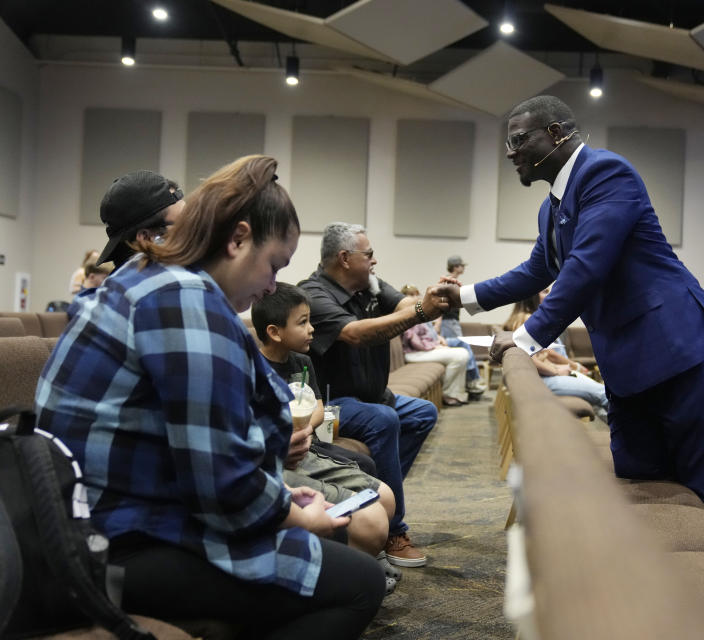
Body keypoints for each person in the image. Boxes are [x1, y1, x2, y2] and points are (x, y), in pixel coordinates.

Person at [36, 156, 384, 638]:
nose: (270, 286)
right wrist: (295, 516)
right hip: (116, 542)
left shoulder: (147, 275)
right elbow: (219, 485)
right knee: (361, 582)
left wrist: (280, 497)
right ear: (238, 238)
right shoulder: (184, 299)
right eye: (273, 266)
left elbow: (192, 453)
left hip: (95, 520)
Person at [443, 95, 704, 559]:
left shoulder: (606, 174)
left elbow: (587, 267)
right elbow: (537, 271)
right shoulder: (551, 208)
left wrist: (526, 339)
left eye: (518, 139)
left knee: (702, 476)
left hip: (677, 346)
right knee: (639, 466)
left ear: (556, 135)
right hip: (628, 357)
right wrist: (463, 296)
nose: (510, 152)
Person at [299, 223, 455, 568]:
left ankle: (374, 496)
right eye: (367, 254)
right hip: (334, 403)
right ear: (344, 258)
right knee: (384, 419)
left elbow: (407, 303)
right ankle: (393, 530)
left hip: (374, 396)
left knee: (422, 413)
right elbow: (354, 333)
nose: (374, 260)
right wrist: (420, 312)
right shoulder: (313, 293)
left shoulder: (369, 286)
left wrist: (434, 298)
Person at [252, 282, 404, 593]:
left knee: (386, 496)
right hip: (278, 455)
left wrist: (305, 427)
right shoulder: (254, 368)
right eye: (302, 322)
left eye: (311, 320)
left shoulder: (302, 362)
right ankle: (354, 568)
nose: (312, 329)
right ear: (274, 331)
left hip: (305, 445)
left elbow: (318, 407)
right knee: (371, 513)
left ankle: (368, 554)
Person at [502, 293, 608, 418]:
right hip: (541, 381)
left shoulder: (522, 318)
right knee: (603, 394)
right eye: (544, 291)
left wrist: (557, 368)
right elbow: (529, 359)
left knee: (600, 396)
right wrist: (556, 371)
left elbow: (538, 356)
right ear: (533, 295)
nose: (549, 295)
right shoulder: (526, 319)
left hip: (538, 378)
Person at [400, 285, 485, 405]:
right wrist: (434, 346)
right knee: (460, 355)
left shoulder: (418, 311)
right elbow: (414, 341)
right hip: (414, 353)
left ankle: (458, 394)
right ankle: (448, 393)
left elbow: (427, 335)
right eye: (410, 295)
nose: (414, 297)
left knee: (462, 352)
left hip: (425, 349)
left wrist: (436, 340)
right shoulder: (407, 314)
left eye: (416, 294)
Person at [96, 170, 186, 268]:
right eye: (183, 223)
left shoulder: (119, 279)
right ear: (146, 238)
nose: (195, 228)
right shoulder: (182, 282)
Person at [439, 255, 467, 338]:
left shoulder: (451, 281)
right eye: (462, 265)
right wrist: (438, 323)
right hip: (449, 320)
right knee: (461, 345)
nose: (463, 268)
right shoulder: (449, 282)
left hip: (451, 320)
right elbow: (441, 301)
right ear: (455, 267)